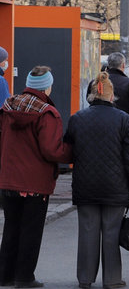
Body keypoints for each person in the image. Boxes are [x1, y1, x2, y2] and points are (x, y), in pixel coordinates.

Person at [64, 72, 129, 289]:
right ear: (112, 96)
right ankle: (112, 279)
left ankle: (85, 278)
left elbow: (68, 150)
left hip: (85, 185)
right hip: (116, 186)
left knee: (87, 232)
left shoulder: (77, 118)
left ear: (91, 96)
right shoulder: (125, 120)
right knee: (111, 232)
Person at [0, 66, 72, 288]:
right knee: (31, 230)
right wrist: (71, 152)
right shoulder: (47, 113)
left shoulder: (8, 107)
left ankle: (5, 275)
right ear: (47, 87)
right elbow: (52, 150)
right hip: (35, 183)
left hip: (7, 180)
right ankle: (24, 277)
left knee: (11, 226)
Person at [97, 52, 129, 131]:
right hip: (123, 129)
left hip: (99, 126)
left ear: (108, 65)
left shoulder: (97, 82)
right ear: (123, 65)